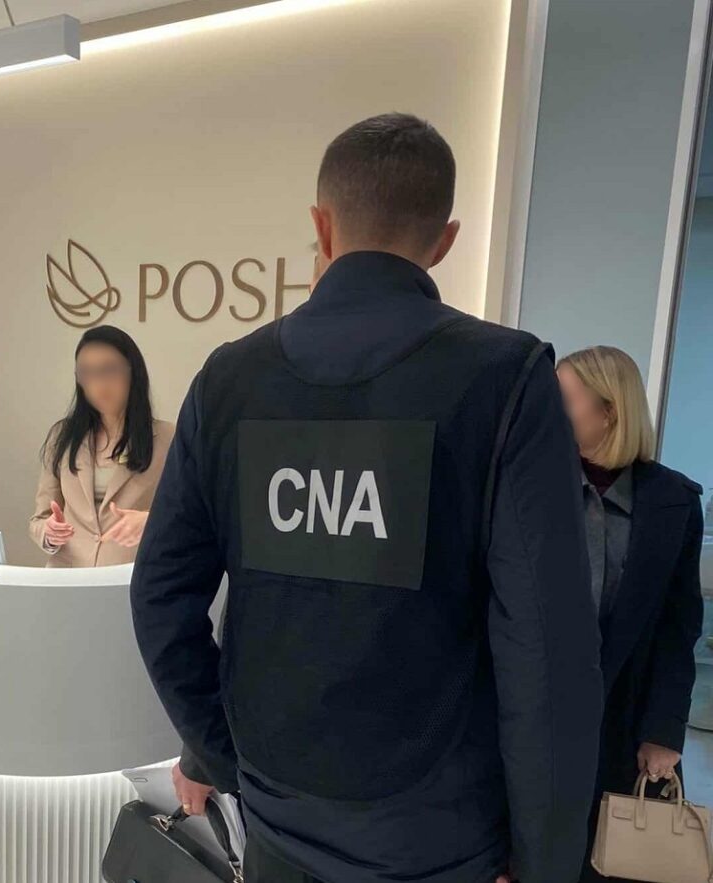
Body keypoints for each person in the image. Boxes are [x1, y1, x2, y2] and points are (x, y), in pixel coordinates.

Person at [130, 113, 604, 883]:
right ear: (444, 239)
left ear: (321, 225)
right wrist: (546, 858)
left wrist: (225, 751)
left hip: (278, 817)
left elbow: (158, 596)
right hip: (434, 837)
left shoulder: (229, 378)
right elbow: (548, 654)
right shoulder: (505, 378)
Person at [556, 346, 704, 883]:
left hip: (625, 714)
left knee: (607, 859)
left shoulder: (674, 501)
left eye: (565, 398)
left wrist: (664, 730)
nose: (552, 411)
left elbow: (677, 628)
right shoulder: (534, 487)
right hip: (539, 713)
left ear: (609, 410)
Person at [28, 325, 174, 567]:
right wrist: (50, 532)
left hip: (131, 574)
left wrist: (150, 521)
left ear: (133, 372)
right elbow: (40, 518)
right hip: (68, 574)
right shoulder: (63, 436)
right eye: (87, 372)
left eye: (109, 370)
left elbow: (187, 515)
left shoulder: (167, 438)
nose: (99, 383)